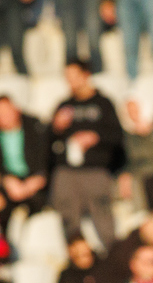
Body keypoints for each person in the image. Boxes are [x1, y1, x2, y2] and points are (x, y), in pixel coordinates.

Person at [50, 61, 124, 248]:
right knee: (69, 222)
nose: (71, 81)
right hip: (68, 171)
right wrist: (55, 127)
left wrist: (95, 137)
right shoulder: (64, 105)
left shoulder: (103, 103)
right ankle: (76, 262)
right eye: (68, 77)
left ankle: (111, 259)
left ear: (86, 75)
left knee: (103, 220)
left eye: (74, 76)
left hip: (96, 170)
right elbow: (48, 141)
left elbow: (117, 136)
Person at [0, 95, 53, 221]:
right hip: (11, 183)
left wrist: (37, 179)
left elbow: (47, 158)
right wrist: (7, 180)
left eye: (6, 111)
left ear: (16, 110)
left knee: (38, 207)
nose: (4, 117)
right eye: (0, 113)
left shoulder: (36, 128)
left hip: (36, 181)